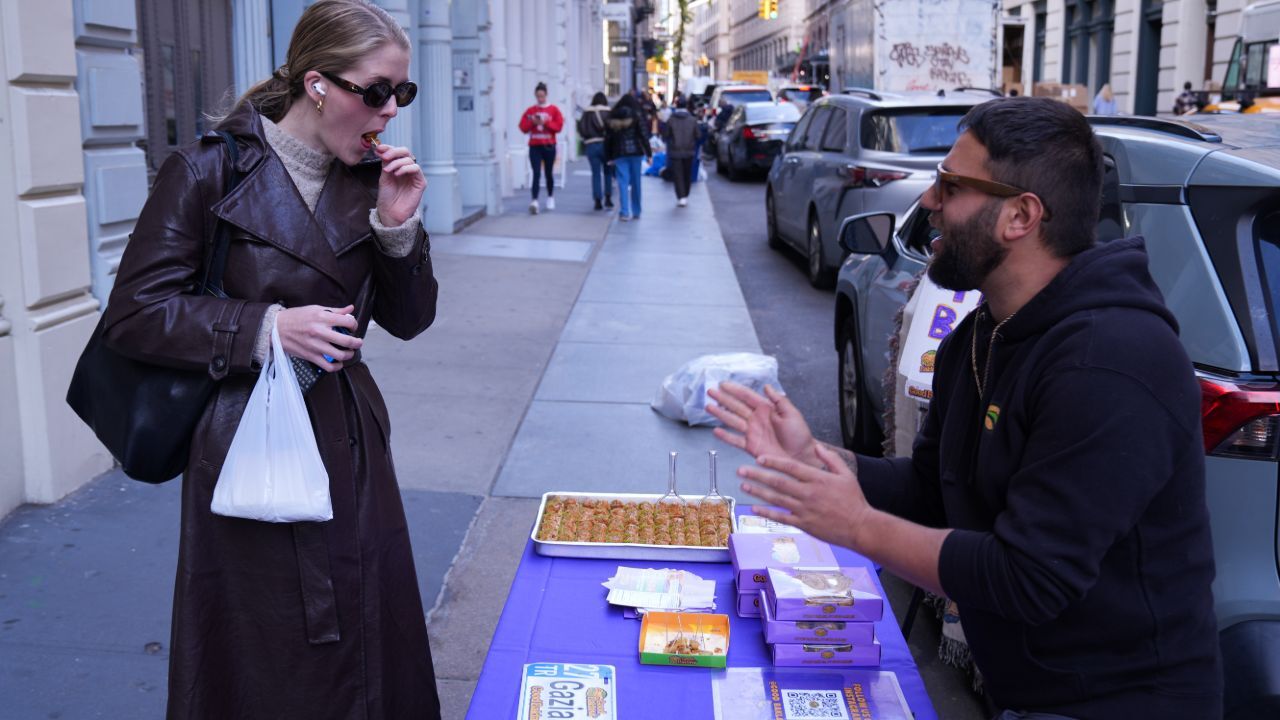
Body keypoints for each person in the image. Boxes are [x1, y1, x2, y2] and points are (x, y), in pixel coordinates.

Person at [709, 97, 1222, 719]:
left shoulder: (1109, 358)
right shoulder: (982, 333)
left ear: (1019, 215)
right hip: (1029, 691)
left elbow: (1030, 577)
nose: (928, 202)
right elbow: (933, 487)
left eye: (950, 184)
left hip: (1122, 703)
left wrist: (855, 527)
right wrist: (815, 459)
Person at [100, 1, 442, 716]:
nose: (389, 112)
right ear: (319, 85)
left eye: (401, 93)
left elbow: (410, 323)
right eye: (376, 91)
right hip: (247, 446)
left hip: (349, 443)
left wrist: (396, 229)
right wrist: (264, 328)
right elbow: (134, 315)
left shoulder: (370, 179)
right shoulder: (203, 173)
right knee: (265, 652)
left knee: (368, 640)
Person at [605, 92, 652, 222]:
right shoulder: (637, 115)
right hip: (636, 153)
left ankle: (624, 212)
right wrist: (649, 154)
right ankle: (636, 211)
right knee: (636, 183)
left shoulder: (613, 116)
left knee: (622, 182)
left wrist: (608, 156)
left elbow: (608, 139)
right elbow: (644, 135)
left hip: (619, 153)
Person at [520, 81, 564, 214]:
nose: (540, 99)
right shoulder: (531, 110)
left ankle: (550, 196)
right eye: (538, 96)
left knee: (548, 173)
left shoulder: (554, 110)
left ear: (546, 95)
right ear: (535, 95)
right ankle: (534, 200)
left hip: (549, 145)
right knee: (536, 173)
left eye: (542, 96)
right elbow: (522, 127)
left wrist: (546, 123)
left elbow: (558, 127)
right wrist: (532, 122)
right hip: (535, 146)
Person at [578, 91, 614, 210]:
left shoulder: (587, 113)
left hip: (591, 144)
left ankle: (597, 200)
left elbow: (582, 128)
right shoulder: (609, 112)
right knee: (608, 172)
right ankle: (608, 197)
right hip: (606, 145)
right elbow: (613, 129)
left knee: (596, 173)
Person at [662, 94, 699, 207]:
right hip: (689, 150)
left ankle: (681, 196)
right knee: (687, 173)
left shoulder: (671, 120)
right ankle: (685, 194)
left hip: (675, 150)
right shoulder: (692, 120)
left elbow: (666, 134)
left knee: (678, 174)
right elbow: (698, 135)